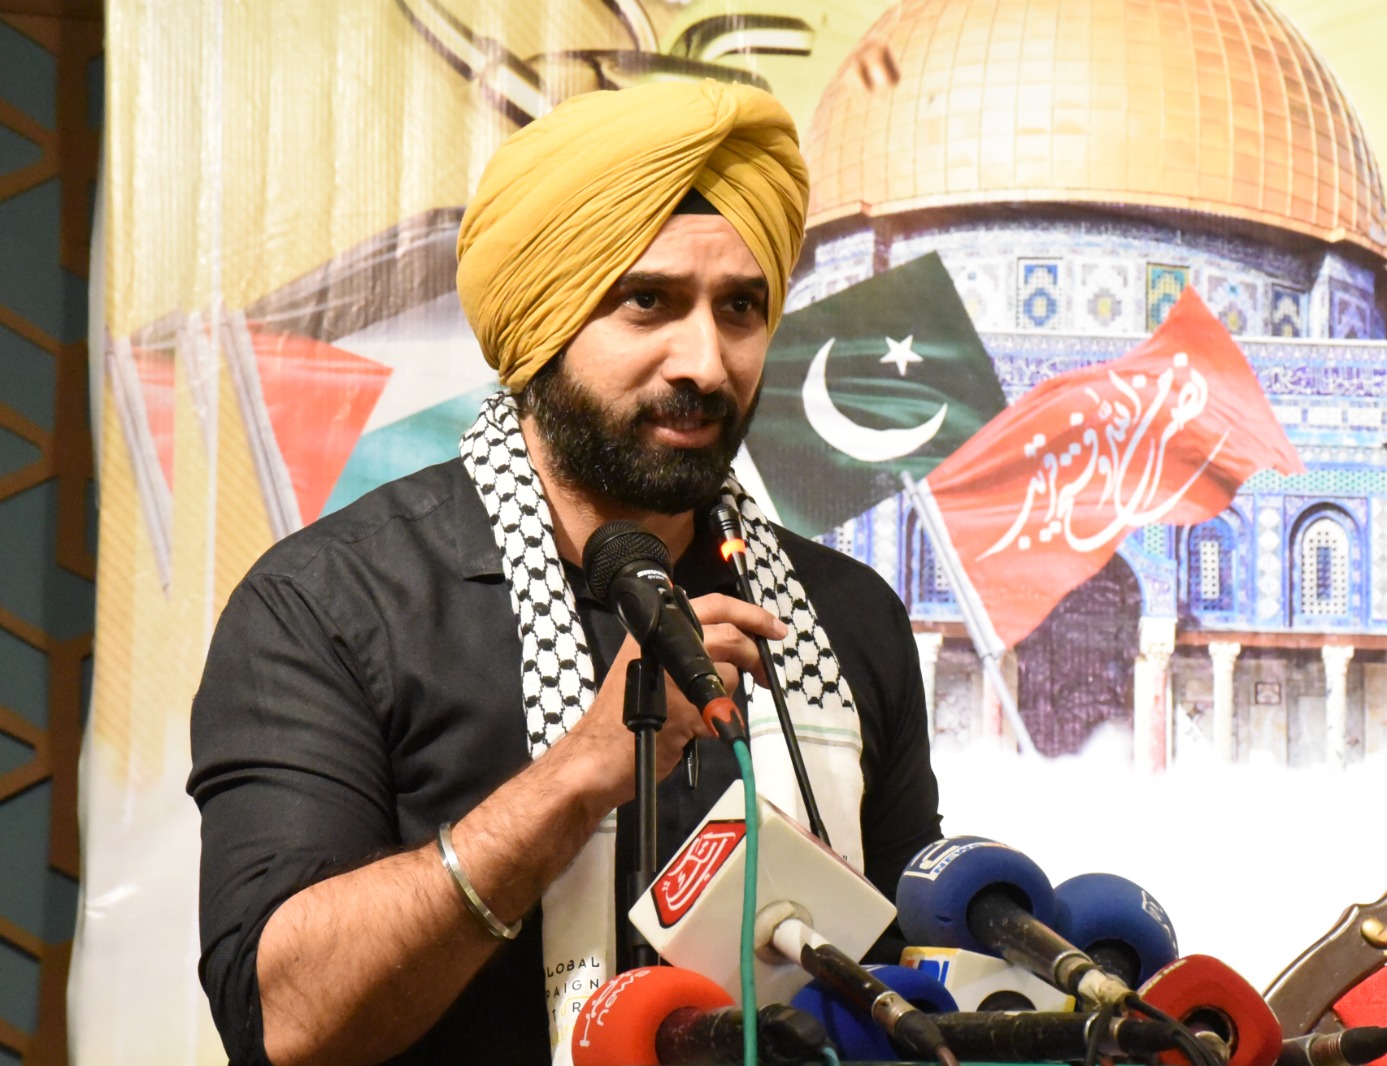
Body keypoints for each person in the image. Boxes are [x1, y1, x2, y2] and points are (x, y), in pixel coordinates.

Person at [187, 79, 942, 1066]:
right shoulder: (333, 606)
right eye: (648, 302)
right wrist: (580, 774)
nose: (705, 362)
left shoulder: (842, 619)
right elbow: (284, 1020)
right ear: (542, 320)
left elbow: (906, 969)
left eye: (740, 308)